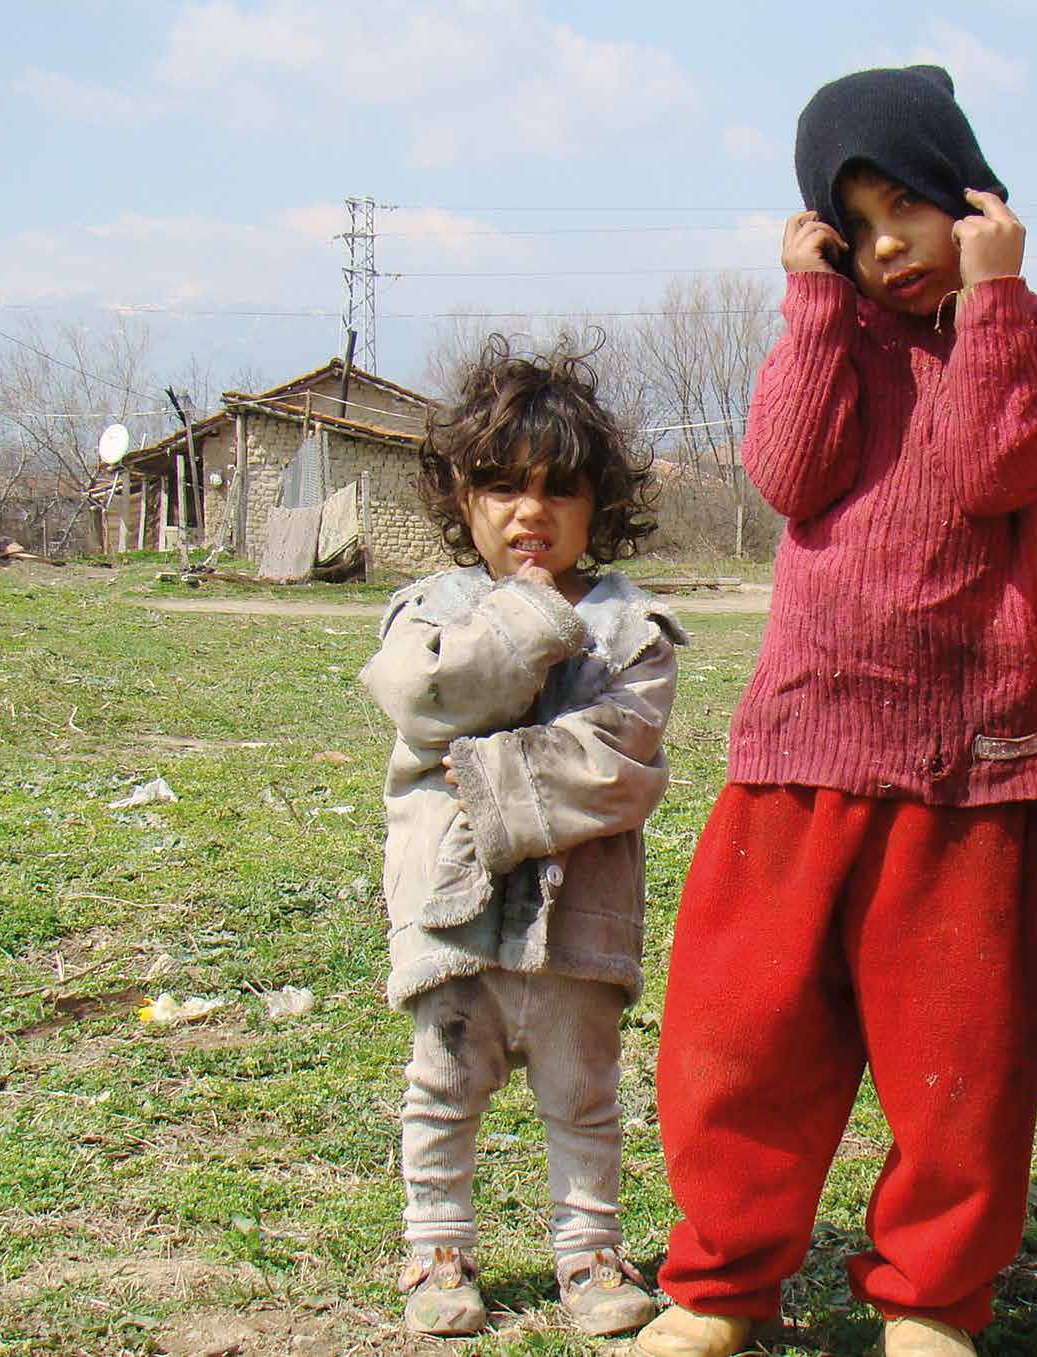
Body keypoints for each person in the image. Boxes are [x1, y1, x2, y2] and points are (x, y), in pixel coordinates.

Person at [634, 65, 1037, 1357]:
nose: (890, 242)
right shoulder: (828, 332)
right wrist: (810, 307)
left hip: (962, 766)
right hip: (798, 743)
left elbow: (985, 471)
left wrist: (992, 298)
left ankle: (932, 1300)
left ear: (972, 196)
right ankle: (719, 1286)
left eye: (910, 201)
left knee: (960, 1064)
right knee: (741, 1042)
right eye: (857, 217)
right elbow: (786, 475)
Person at [359, 335, 683, 1339]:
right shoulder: (427, 614)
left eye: (558, 491)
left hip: (578, 920)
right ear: (461, 499)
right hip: (451, 907)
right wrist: (523, 624)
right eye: (501, 487)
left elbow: (617, 760)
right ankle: (438, 1249)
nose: (529, 513)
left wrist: (480, 765)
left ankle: (588, 1252)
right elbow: (423, 698)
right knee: (443, 1085)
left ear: (601, 505)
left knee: (582, 1094)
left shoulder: (634, 632)